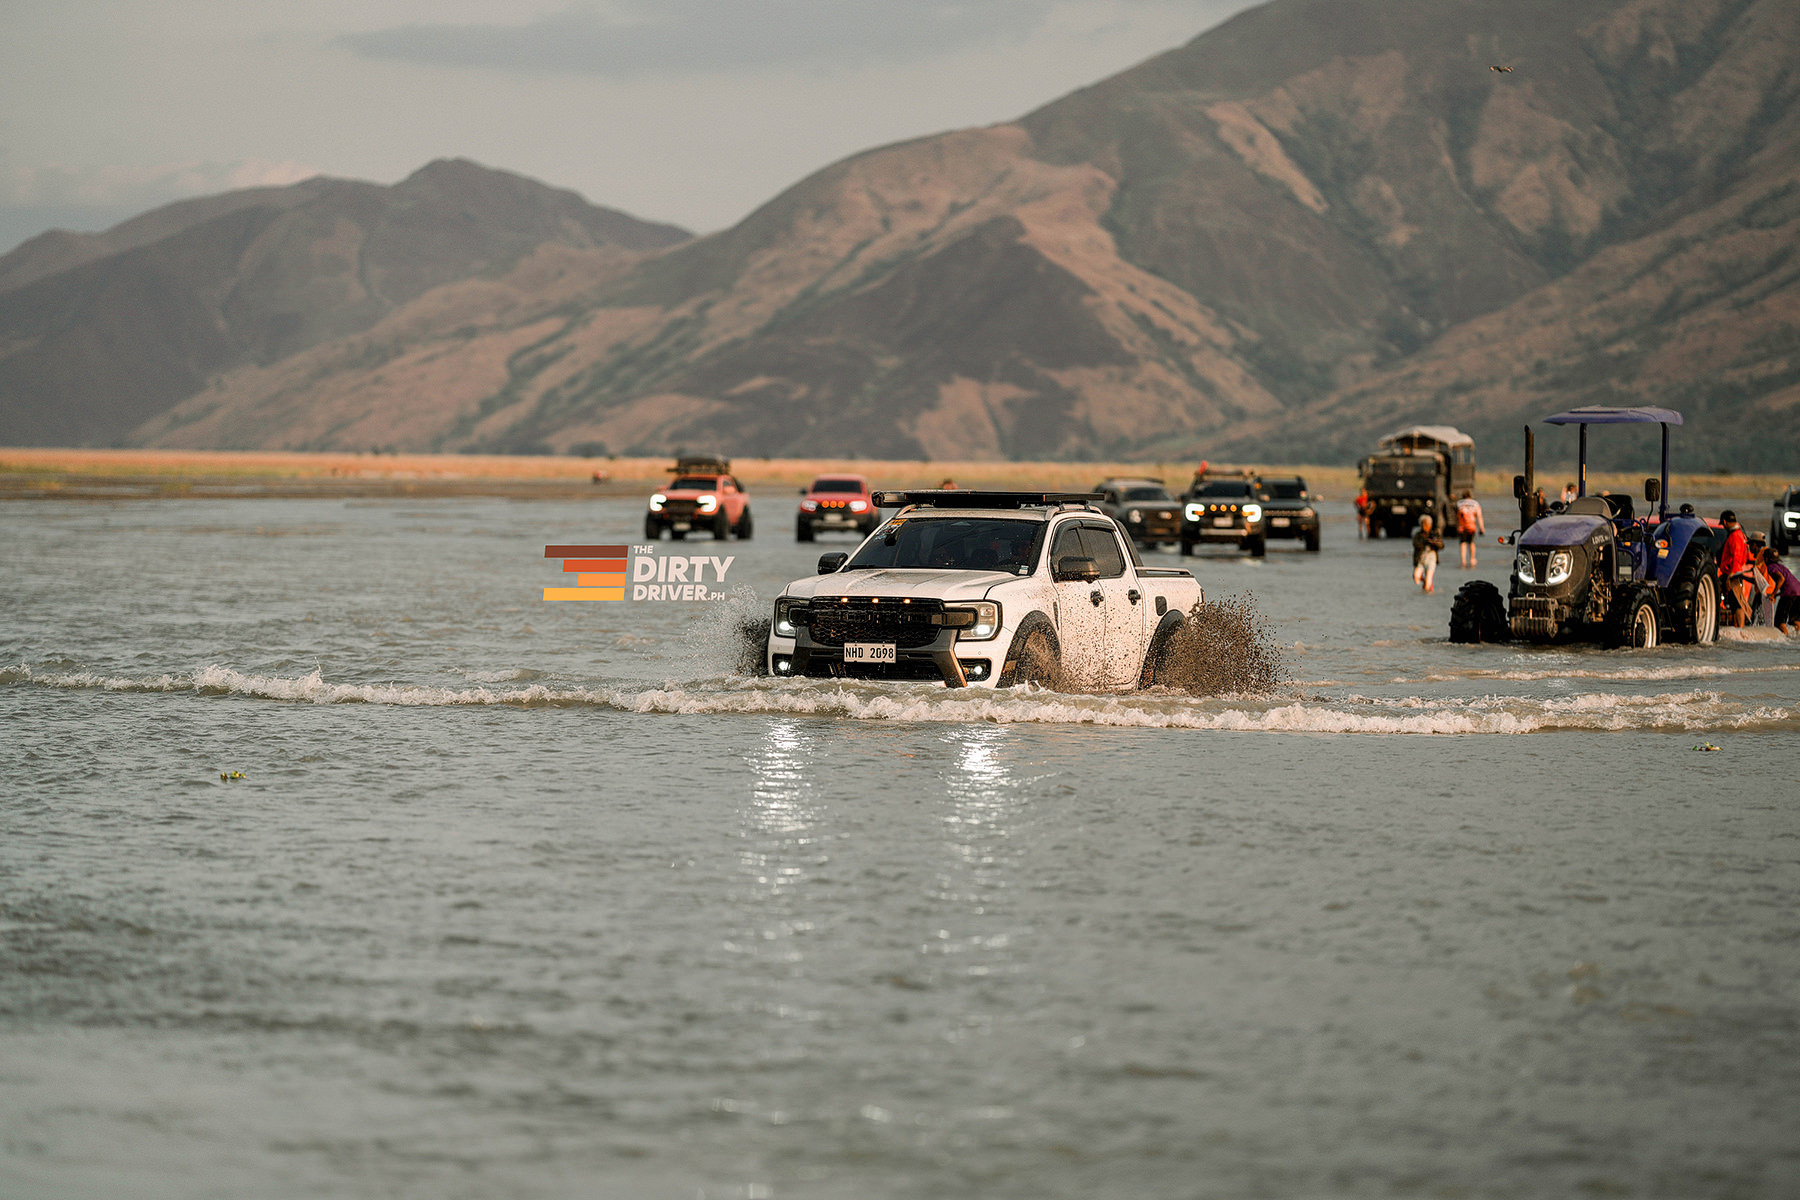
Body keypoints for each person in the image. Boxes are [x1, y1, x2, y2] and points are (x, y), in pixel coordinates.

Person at [1717, 510, 1753, 627]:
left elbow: (1736, 557)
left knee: (1737, 604)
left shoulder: (1735, 536)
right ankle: (1738, 628)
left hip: (1734, 575)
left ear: (1725, 522)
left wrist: (1730, 577)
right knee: (1735, 603)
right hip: (1735, 573)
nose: (1723, 526)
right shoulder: (1740, 535)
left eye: (1723, 524)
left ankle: (1740, 629)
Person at [1763, 547, 1800, 635]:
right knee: (1795, 621)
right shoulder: (1781, 566)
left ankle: (1786, 640)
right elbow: (1789, 583)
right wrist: (1777, 594)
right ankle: (1797, 640)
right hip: (1798, 592)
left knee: (1779, 622)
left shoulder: (1770, 567)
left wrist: (1773, 594)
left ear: (1766, 559)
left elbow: (1781, 579)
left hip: (1789, 594)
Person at [1412, 514, 1444, 594]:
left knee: (1428, 581)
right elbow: (1416, 544)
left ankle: (1428, 591)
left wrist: (1434, 543)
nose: (1425, 526)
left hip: (1432, 558)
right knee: (1416, 577)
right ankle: (1425, 582)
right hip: (1421, 558)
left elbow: (1441, 546)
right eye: (1423, 524)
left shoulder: (1435, 534)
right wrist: (1425, 542)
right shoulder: (1418, 535)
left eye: (1426, 524)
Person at [1454, 490, 1485, 567]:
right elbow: (1479, 516)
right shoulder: (1475, 503)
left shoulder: (1459, 503)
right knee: (1471, 542)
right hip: (1471, 526)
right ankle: (1472, 558)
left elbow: (1456, 516)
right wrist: (1481, 528)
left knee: (1463, 543)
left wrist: (1457, 526)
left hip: (1462, 526)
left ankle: (1463, 560)